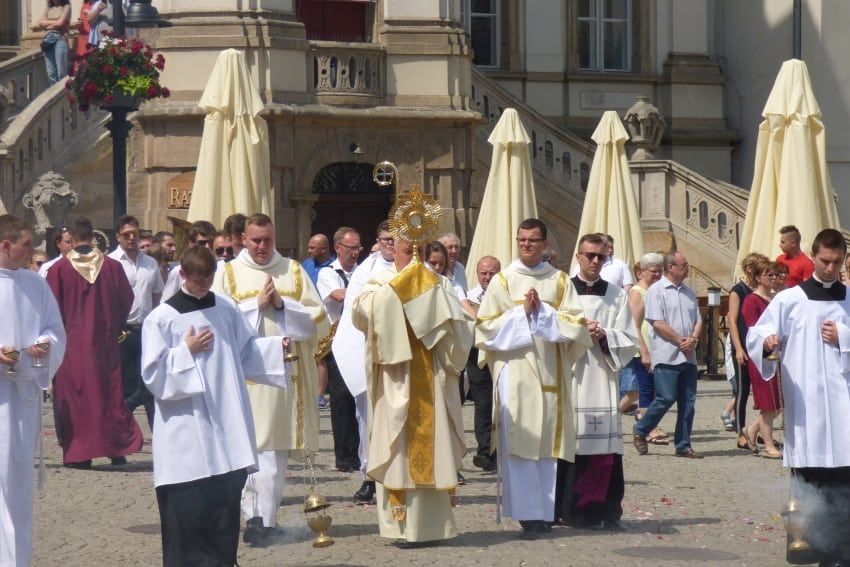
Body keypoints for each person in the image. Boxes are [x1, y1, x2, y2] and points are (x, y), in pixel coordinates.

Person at [141, 246, 291, 567]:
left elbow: (244, 350)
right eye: (197, 280)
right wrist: (186, 351)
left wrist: (276, 348)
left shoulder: (225, 308)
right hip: (186, 431)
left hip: (226, 425)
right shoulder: (162, 319)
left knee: (224, 503)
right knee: (189, 508)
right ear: (182, 275)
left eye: (208, 279)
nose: (203, 286)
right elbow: (153, 375)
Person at [351, 237, 474, 546]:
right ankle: (400, 526)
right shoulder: (380, 281)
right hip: (397, 380)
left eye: (420, 252)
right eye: (409, 252)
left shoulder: (440, 284)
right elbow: (360, 312)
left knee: (436, 448)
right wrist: (401, 290)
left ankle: (435, 527)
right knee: (399, 451)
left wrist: (432, 303)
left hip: (433, 381)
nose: (415, 258)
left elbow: (460, 328)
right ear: (395, 251)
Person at [211, 213, 325, 544]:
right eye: (256, 240)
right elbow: (218, 320)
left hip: (283, 378)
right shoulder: (229, 274)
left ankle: (266, 518)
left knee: (273, 454)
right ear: (242, 239)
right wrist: (255, 307)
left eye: (268, 240)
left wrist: (282, 305)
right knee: (248, 449)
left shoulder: (292, 270)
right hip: (245, 377)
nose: (262, 247)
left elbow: (317, 318)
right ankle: (252, 515)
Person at [476, 218, 591, 539]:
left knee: (545, 447)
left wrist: (543, 313)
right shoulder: (502, 281)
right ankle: (528, 517)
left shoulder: (559, 282)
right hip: (515, 376)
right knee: (520, 445)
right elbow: (484, 328)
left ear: (544, 244)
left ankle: (544, 513)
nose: (526, 244)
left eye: (532, 240)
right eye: (521, 239)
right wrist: (522, 314)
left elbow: (576, 326)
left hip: (551, 374)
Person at [748, 228, 850, 565]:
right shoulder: (789, 300)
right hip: (806, 407)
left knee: (843, 479)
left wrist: (845, 334)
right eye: (825, 261)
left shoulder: (849, 300)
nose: (831, 269)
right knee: (808, 476)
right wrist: (767, 342)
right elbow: (759, 332)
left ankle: (841, 548)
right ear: (814, 255)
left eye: (837, 263)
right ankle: (805, 546)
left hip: (844, 407)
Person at [554, 234, 637, 530]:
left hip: (602, 374)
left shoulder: (616, 294)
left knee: (605, 447)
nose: (595, 261)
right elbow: (552, 329)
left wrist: (606, 336)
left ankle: (606, 510)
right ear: (578, 256)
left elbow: (629, 338)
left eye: (600, 256)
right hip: (573, 374)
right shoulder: (562, 290)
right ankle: (568, 510)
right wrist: (578, 330)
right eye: (589, 255)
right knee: (571, 444)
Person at [46, 216, 143, 468]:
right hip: (105, 343)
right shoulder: (111, 267)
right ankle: (116, 449)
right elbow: (126, 298)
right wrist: (115, 325)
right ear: (93, 236)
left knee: (77, 397)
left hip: (71, 345)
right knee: (109, 394)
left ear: (72, 239)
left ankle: (81, 453)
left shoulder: (59, 270)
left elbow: (50, 309)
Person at [0, 215, 67, 567]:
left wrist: (44, 346)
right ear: (5, 245)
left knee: (18, 488)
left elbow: (56, 330)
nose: (34, 251)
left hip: (23, 397)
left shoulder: (35, 284)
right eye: (27, 244)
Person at [332, 220, 395, 504]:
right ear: (378, 241)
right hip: (371, 349)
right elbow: (355, 310)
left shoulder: (415, 265)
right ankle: (370, 474)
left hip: (403, 355)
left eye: (394, 239)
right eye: (384, 239)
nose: (390, 245)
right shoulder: (365, 271)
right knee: (368, 417)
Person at [632, 251, 703, 458]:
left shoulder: (689, 292)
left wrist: (694, 339)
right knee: (666, 397)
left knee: (688, 402)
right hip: (666, 353)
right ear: (671, 267)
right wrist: (681, 340)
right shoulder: (657, 290)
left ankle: (683, 444)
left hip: (688, 355)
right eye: (683, 265)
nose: (687, 268)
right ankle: (642, 428)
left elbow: (698, 319)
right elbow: (657, 322)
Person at [109, 215, 164, 430]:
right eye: (126, 234)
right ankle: (119, 430)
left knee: (149, 382)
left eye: (135, 234)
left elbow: (157, 295)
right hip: (122, 331)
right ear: (118, 237)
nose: (131, 238)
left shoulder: (150, 263)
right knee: (124, 384)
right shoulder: (111, 262)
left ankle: (157, 432)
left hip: (146, 329)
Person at [316, 227, 362, 473]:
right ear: (337, 248)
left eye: (358, 248)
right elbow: (338, 295)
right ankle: (344, 456)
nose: (355, 253)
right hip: (338, 341)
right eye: (350, 248)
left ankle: (361, 453)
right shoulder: (328, 273)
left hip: (361, 340)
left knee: (361, 397)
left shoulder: (363, 271)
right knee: (342, 399)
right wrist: (365, 292)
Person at [624, 253, 669, 444]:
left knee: (651, 390)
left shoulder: (655, 291)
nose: (658, 275)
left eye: (660, 271)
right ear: (641, 272)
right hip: (644, 348)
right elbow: (634, 324)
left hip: (656, 347)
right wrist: (644, 350)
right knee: (647, 389)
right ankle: (649, 428)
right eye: (653, 272)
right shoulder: (637, 292)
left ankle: (645, 424)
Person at [740, 258, 783, 459]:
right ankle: (768, 445)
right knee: (768, 403)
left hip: (777, 355)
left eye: (775, 274)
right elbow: (754, 329)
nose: (774, 278)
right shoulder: (751, 300)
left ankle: (751, 430)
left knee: (779, 402)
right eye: (769, 274)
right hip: (762, 357)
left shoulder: (776, 299)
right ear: (758, 277)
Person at [728, 253, 767, 450]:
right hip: (743, 345)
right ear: (750, 270)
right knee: (742, 391)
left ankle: (762, 431)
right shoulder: (739, 290)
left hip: (760, 348)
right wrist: (738, 348)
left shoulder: (762, 291)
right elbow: (732, 321)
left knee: (764, 391)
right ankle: (740, 432)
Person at [465, 255, 500, 472]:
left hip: (499, 353)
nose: (487, 277)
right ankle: (485, 451)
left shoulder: (505, 295)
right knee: (483, 404)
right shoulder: (468, 298)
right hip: (476, 354)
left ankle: (500, 450)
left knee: (502, 403)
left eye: (492, 273)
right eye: (483, 273)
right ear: (477, 274)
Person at [162, 220, 216, 302]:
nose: (207, 247)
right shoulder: (177, 271)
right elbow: (167, 300)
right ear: (191, 243)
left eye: (211, 243)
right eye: (202, 243)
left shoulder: (222, 266)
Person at [39, 0, 71, 85]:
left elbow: (60, 23)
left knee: (61, 74)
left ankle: (63, 97)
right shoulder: (49, 7)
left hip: (60, 39)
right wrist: (55, 23)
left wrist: (47, 25)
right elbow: (40, 22)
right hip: (47, 41)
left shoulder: (66, 6)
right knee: (51, 75)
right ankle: (54, 96)